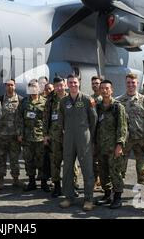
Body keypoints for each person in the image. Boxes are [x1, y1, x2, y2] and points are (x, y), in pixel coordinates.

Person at [59, 74, 97, 212]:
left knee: (87, 168)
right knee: (68, 167)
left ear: (79, 83)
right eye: (70, 83)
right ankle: (68, 197)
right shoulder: (63, 102)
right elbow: (61, 120)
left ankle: (88, 199)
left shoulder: (87, 99)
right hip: (69, 138)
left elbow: (94, 120)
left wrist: (90, 137)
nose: (73, 85)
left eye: (75, 82)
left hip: (84, 138)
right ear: (67, 84)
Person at [95, 80, 128, 210]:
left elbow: (122, 127)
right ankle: (107, 195)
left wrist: (119, 145)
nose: (104, 91)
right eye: (102, 88)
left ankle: (118, 198)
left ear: (111, 90)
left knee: (115, 173)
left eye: (107, 88)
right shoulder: (98, 107)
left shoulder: (118, 107)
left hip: (113, 147)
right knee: (103, 173)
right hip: (101, 147)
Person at [117, 74, 144, 192]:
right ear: (125, 83)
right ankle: (117, 193)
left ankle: (143, 193)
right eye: (128, 82)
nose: (131, 85)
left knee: (142, 169)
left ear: (138, 84)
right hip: (125, 140)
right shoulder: (119, 101)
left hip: (141, 140)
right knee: (120, 167)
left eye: (133, 82)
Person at [17, 79, 50, 193]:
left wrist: (47, 135)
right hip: (27, 137)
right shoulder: (24, 102)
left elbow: (48, 120)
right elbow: (19, 118)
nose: (33, 88)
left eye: (35, 86)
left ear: (39, 88)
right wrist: (20, 133)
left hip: (41, 137)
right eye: (31, 86)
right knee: (29, 161)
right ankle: (32, 182)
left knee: (42, 161)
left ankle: (44, 183)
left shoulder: (45, 102)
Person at [0, 79, 23, 190]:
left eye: (11, 85)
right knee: (1, 158)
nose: (10, 87)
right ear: (5, 86)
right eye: (7, 85)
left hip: (14, 136)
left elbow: (22, 118)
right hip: (1, 136)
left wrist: (20, 133)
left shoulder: (20, 100)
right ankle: (1, 179)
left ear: (15, 86)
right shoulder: (0, 99)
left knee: (14, 159)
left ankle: (16, 179)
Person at [44, 77, 67, 197]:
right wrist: (46, 135)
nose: (59, 88)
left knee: (70, 163)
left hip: (69, 137)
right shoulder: (51, 100)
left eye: (61, 85)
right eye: (57, 85)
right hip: (54, 136)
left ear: (65, 85)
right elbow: (46, 118)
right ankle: (57, 186)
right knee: (55, 162)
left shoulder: (71, 98)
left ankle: (70, 187)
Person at [91, 75, 103, 191]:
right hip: (94, 134)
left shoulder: (106, 98)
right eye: (93, 83)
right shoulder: (90, 99)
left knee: (104, 159)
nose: (95, 85)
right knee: (94, 159)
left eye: (97, 83)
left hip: (105, 134)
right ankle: (96, 180)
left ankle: (105, 182)